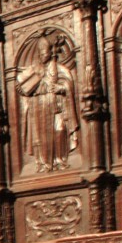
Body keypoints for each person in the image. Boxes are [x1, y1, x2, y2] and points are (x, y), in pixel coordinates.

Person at [16, 34, 79, 172]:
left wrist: (60, 88)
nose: (42, 55)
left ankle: (59, 159)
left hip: (56, 105)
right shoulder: (35, 69)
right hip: (39, 105)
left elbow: (68, 83)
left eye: (44, 52)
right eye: (40, 53)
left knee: (60, 130)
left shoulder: (60, 69)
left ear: (51, 52)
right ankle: (44, 163)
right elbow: (20, 86)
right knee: (40, 136)